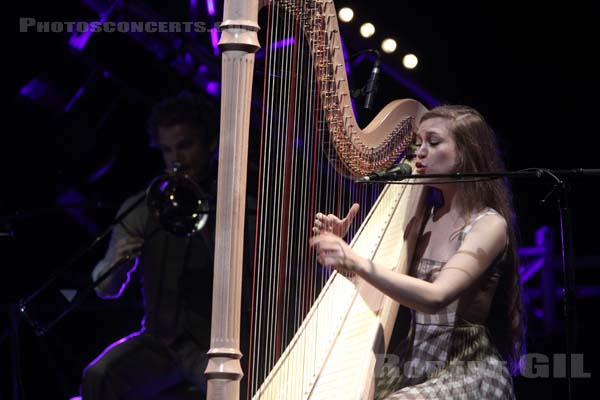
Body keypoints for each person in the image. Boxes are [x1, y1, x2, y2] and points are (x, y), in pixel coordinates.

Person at [310, 105, 524, 399]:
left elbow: (435, 297)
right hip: (414, 362)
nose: (418, 153)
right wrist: (339, 256)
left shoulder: (488, 225)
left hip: (465, 368)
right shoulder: (422, 219)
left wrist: (353, 259)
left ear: (466, 153)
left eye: (433, 143)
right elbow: (385, 295)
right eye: (418, 143)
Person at [80, 92, 217, 399]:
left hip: (214, 346)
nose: (176, 160)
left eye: (185, 146)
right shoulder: (143, 207)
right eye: (167, 150)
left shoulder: (232, 203)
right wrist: (118, 263)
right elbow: (106, 289)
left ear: (211, 145)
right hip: (160, 344)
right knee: (98, 376)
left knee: (233, 391)